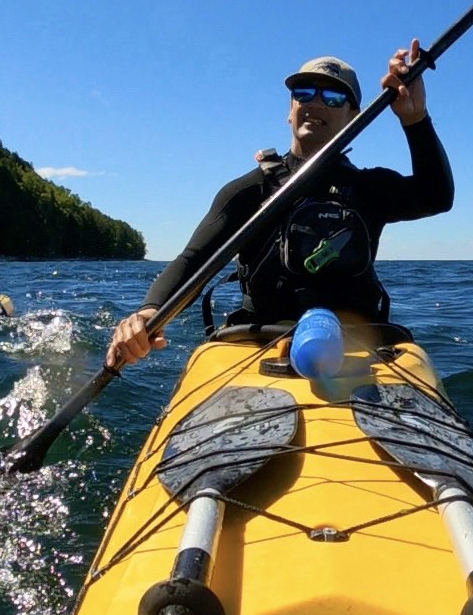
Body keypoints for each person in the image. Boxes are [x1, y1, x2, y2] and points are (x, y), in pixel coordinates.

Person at [106, 39, 452, 368]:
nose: (315, 103)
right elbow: (194, 261)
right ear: (290, 110)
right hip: (261, 343)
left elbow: (437, 197)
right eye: (304, 93)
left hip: (358, 346)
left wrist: (414, 118)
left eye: (332, 96)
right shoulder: (249, 191)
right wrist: (149, 313)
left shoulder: (370, 188)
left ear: (354, 116)